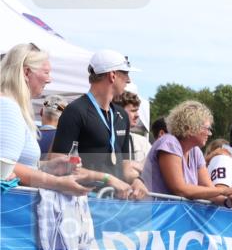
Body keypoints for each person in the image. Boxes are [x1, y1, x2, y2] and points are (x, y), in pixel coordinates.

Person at [49, 49, 147, 198]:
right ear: (112, 75)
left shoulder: (121, 116)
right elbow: (56, 165)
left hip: (114, 206)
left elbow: (125, 166)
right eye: (125, 74)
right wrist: (107, 178)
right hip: (84, 203)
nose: (129, 80)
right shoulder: (75, 111)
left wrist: (138, 181)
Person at [0, 43, 92, 195]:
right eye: (46, 72)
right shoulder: (7, 105)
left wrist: (48, 167)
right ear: (27, 72)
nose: (50, 79)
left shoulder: (10, 104)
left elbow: (15, 165)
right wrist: (58, 183)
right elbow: (4, 168)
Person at [142, 100, 232, 204]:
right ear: (189, 128)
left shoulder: (195, 151)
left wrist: (229, 200)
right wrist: (223, 190)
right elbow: (180, 189)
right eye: (207, 129)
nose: (210, 133)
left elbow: (210, 192)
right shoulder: (169, 142)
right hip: (155, 215)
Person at [115, 87, 150, 164]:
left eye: (137, 111)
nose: (137, 115)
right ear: (118, 112)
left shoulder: (142, 143)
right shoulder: (104, 140)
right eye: (133, 111)